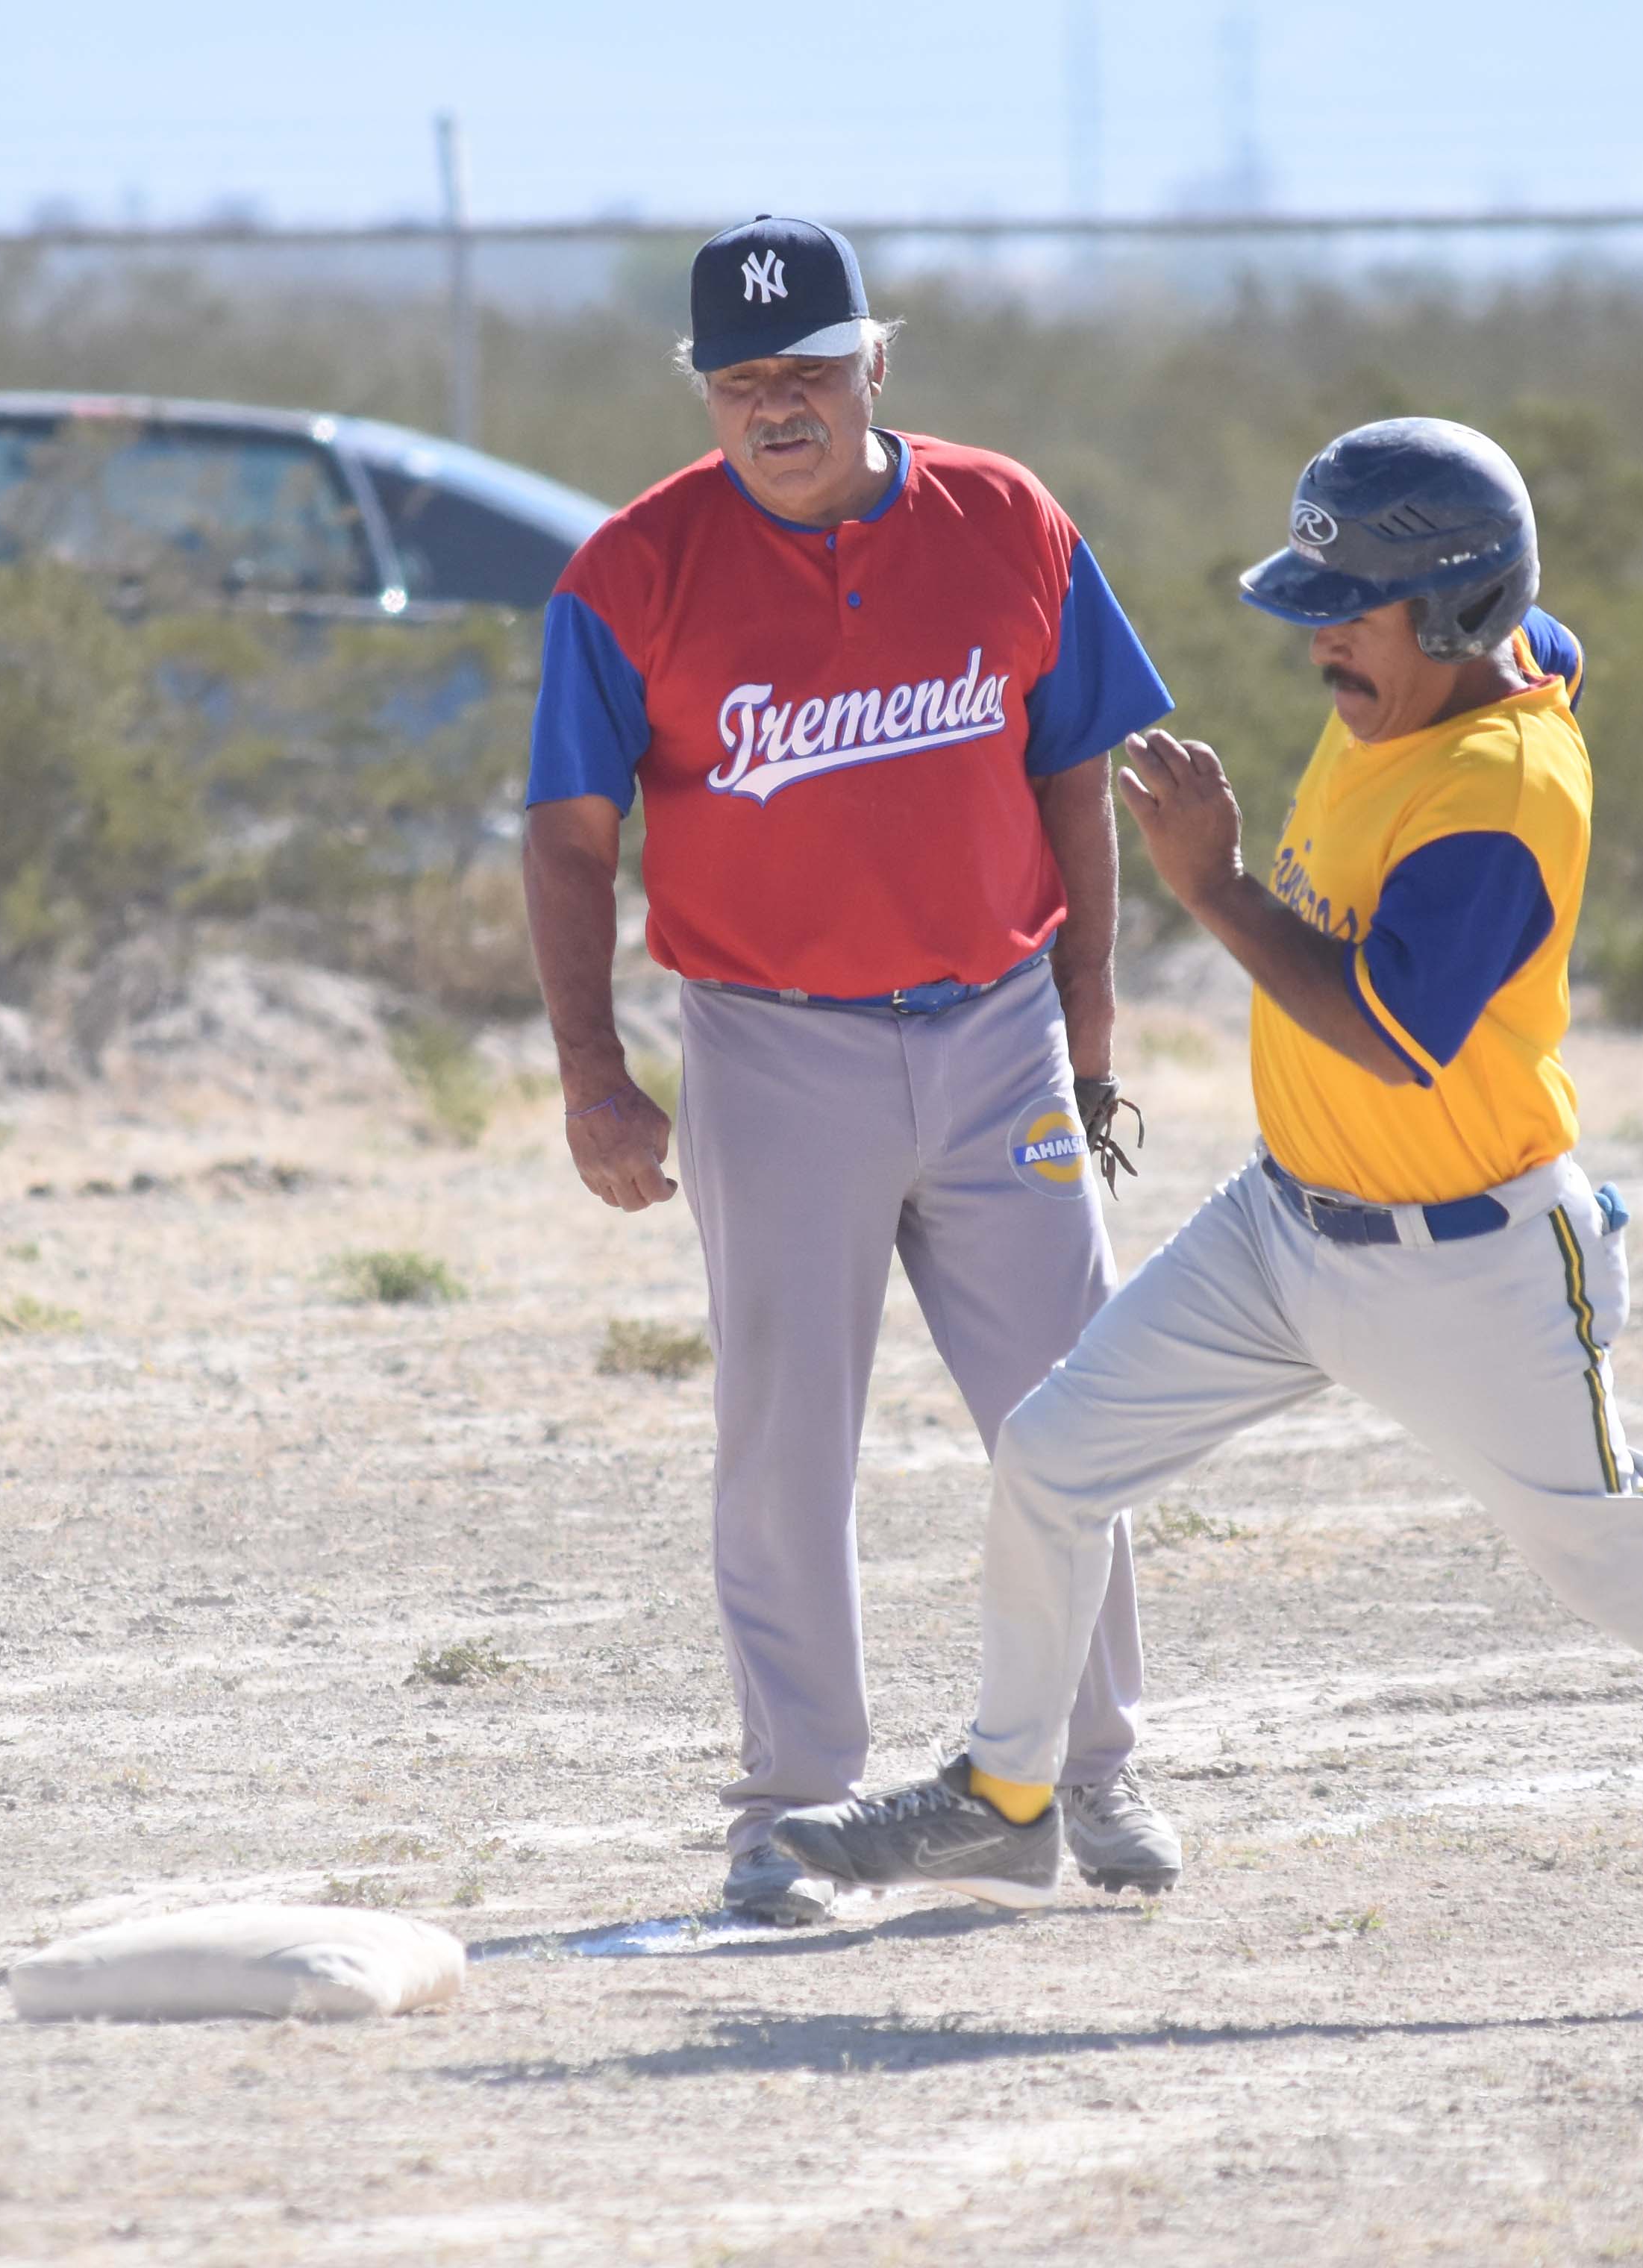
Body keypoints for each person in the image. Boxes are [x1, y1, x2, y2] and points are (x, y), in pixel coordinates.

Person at [774, 418, 1643, 1997]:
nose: (1319, 631)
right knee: (1052, 1457)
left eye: (1356, 603)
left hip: (1471, 1259)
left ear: (1460, 617)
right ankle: (1006, 1794)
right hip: (1284, 1230)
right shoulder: (1465, 672)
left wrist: (1211, 889)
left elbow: (1398, 1033)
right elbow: (1556, 641)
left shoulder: (1503, 789)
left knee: (1593, 1537)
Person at [522, 216, 1186, 1926]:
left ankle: (1090, 1765)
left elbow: (1079, 769)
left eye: (807, 370)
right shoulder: (631, 568)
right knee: (783, 1438)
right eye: (741, 382)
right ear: (706, 395)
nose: (777, 407)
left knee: (1071, 1406)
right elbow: (572, 836)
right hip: (768, 1046)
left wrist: (1089, 1012)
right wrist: (595, 1073)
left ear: (873, 362)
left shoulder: (1007, 520)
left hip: (995, 1030)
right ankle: (789, 1810)